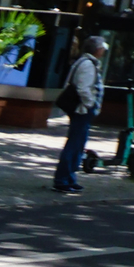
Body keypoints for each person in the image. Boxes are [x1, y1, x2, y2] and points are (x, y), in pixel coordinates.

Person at [53, 35, 104, 195]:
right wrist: (90, 105)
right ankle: (63, 179)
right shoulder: (88, 65)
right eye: (102, 47)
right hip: (81, 110)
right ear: (97, 50)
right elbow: (83, 88)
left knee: (78, 143)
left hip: (81, 109)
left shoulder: (85, 62)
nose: (103, 50)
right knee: (75, 144)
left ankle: (70, 178)